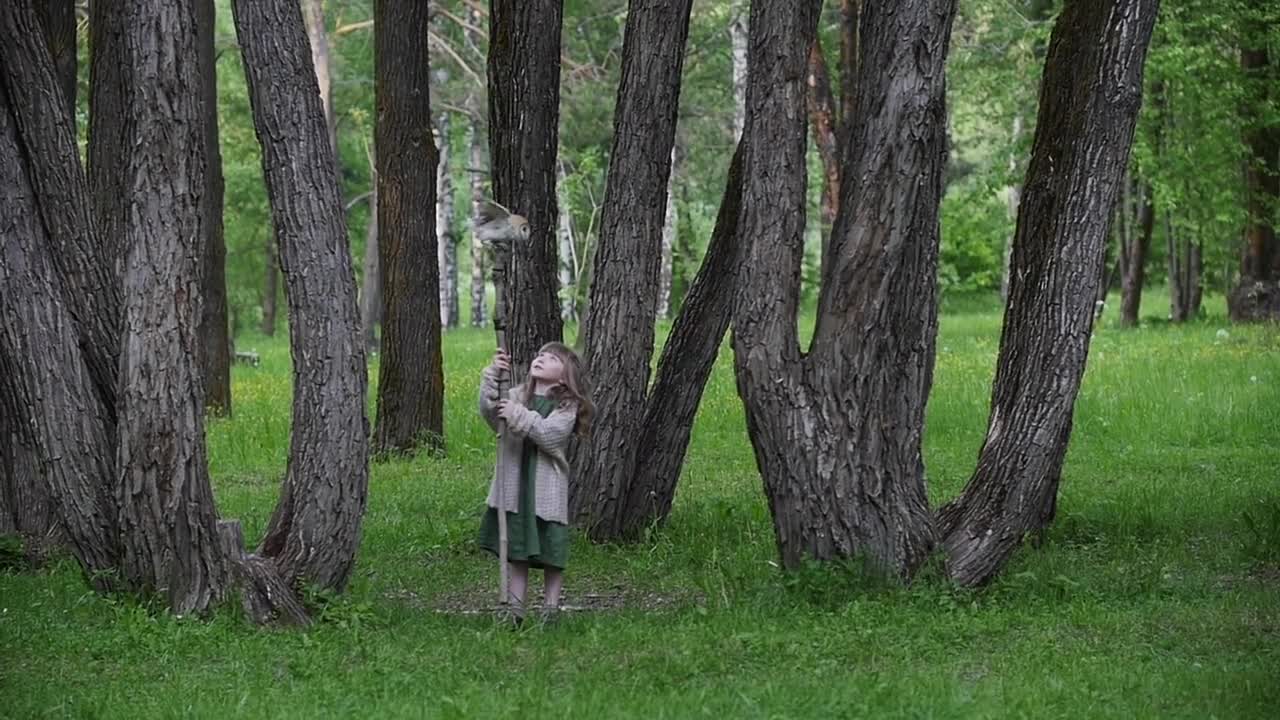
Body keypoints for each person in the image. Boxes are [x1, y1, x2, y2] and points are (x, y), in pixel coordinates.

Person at [478, 342, 593, 625]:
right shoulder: (517, 394)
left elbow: (549, 435)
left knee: (551, 551)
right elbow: (492, 414)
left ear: (566, 376)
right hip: (515, 487)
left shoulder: (567, 406)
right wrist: (494, 376)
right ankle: (515, 611)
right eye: (540, 354)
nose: (541, 358)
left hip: (545, 491)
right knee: (517, 550)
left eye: (551, 358)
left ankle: (550, 609)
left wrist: (517, 414)